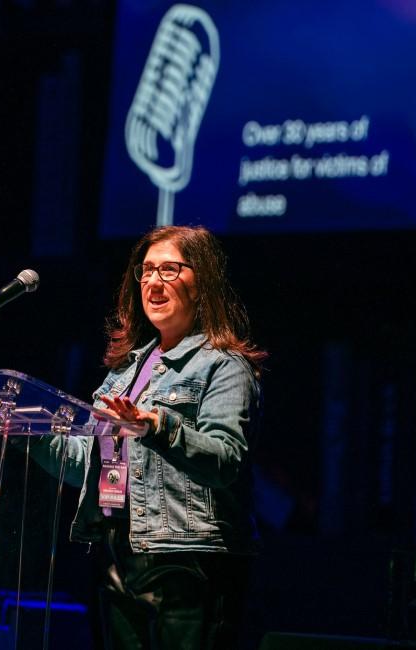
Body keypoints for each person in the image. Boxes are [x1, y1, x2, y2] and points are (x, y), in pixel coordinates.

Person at [29, 225, 266, 649]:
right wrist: (25, 431)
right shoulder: (125, 371)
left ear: (203, 281)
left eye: (170, 269)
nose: (154, 282)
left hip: (189, 562)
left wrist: (158, 426)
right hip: (118, 552)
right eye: (147, 270)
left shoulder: (224, 366)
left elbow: (226, 460)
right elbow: (88, 463)